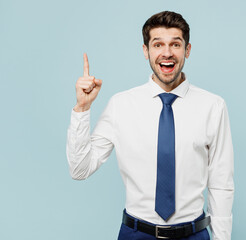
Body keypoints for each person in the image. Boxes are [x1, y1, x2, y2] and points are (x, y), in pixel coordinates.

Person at [66, 11, 234, 239]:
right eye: (158, 44)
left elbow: (221, 183)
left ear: (187, 50)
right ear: (146, 51)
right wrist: (82, 109)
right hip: (136, 234)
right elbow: (80, 169)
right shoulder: (121, 105)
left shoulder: (213, 106)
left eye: (175, 44)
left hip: (193, 234)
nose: (167, 53)